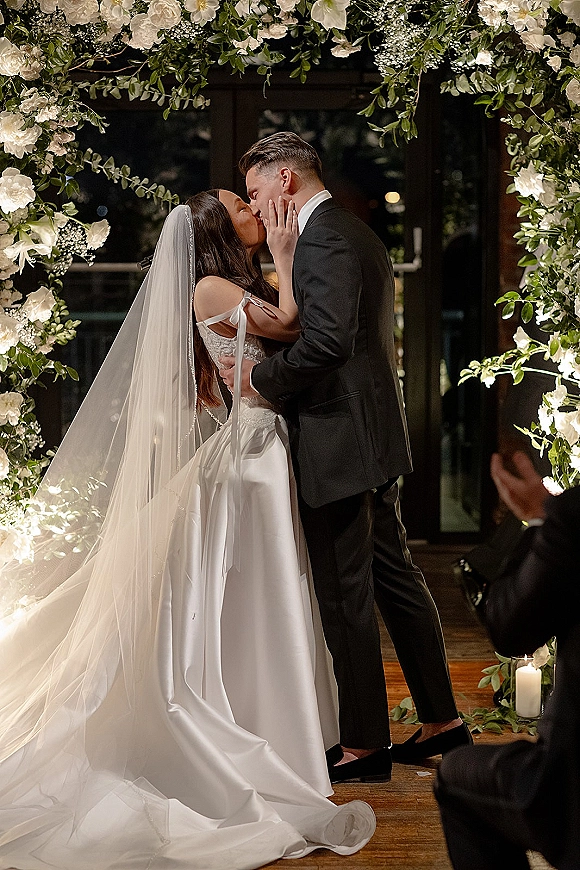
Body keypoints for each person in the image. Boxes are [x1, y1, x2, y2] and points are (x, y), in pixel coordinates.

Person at [0, 192, 376, 870]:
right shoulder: (208, 285)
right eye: (239, 206)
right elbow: (290, 324)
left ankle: (274, 721)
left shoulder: (229, 282)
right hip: (252, 453)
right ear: (214, 229)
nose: (252, 210)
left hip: (266, 446)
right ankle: (252, 731)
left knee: (267, 593)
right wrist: (289, 259)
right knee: (257, 589)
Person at [220, 132, 470, 784]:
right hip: (369, 437)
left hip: (338, 441)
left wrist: (261, 384)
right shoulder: (350, 231)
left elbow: (327, 341)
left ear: (285, 182)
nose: (253, 203)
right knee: (394, 578)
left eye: (254, 191)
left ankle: (364, 745)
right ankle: (444, 722)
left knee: (345, 595)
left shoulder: (325, 236)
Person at [435, 451, 580, 870]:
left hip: (571, 791)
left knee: (456, 778)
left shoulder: (575, 515)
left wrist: (537, 518)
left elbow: (510, 627)